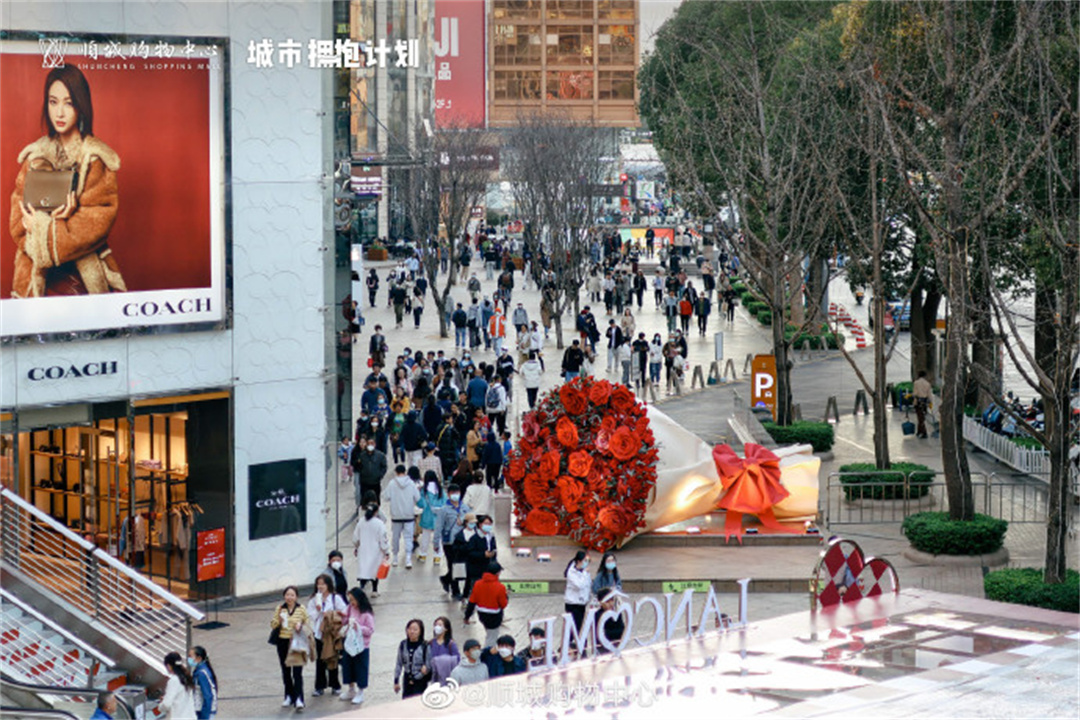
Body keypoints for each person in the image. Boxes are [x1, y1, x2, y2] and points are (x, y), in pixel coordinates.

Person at [11, 65, 126, 298]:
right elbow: (17, 222)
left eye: (68, 102)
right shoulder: (35, 156)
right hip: (35, 277)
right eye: (53, 102)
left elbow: (97, 225)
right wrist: (35, 224)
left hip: (81, 278)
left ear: (80, 106)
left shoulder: (94, 158)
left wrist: (46, 226)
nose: (59, 113)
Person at [306, 574, 347, 697]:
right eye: (319, 584)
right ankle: (319, 686)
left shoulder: (335, 598)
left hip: (332, 633)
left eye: (323, 584)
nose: (321, 586)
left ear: (328, 585)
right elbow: (310, 615)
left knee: (332, 658)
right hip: (319, 633)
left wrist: (330, 614)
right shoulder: (314, 599)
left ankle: (335, 685)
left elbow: (344, 611)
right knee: (320, 660)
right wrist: (319, 610)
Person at [269, 586, 309, 709]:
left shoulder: (301, 609)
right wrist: (279, 621)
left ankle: (299, 698)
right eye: (287, 595)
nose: (289, 597)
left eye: (292, 595)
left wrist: (300, 625)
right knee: (286, 671)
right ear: (284, 596)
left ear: (296, 597)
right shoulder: (280, 608)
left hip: (296, 642)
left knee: (297, 672)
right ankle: (288, 696)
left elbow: (307, 623)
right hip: (283, 642)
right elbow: (273, 624)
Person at [338, 587, 375, 705]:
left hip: (362, 646)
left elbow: (370, 630)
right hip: (349, 643)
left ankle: (360, 692)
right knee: (348, 666)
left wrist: (358, 627)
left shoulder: (367, 614)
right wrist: (343, 616)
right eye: (350, 600)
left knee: (361, 668)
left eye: (353, 600)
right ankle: (351, 689)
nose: (352, 602)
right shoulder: (350, 608)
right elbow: (345, 620)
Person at [434, 485, 470, 597]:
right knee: (452, 565)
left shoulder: (465, 508)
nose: (455, 495)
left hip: (463, 541)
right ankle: (455, 590)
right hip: (449, 542)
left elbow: (471, 522)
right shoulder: (444, 510)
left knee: (461, 565)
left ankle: (446, 579)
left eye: (457, 492)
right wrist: (436, 542)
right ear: (448, 494)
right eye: (453, 492)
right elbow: (439, 526)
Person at [382, 464, 421, 568]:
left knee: (395, 537)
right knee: (408, 537)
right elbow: (417, 497)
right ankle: (408, 558)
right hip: (409, 515)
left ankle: (395, 558)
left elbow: (385, 497)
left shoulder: (391, 484)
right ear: (405, 471)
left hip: (396, 515)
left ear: (396, 472)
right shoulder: (411, 484)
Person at [466, 561, 508, 646]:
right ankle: (487, 655)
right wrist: (506, 596)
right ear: (497, 573)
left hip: (482, 615)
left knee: (489, 634)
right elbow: (503, 604)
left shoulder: (478, 584)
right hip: (495, 616)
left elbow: (472, 601)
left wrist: (467, 616)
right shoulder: (500, 587)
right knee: (491, 638)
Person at [353, 501, 389, 596]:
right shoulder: (379, 523)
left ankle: (362, 587)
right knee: (374, 570)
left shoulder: (361, 522)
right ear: (376, 512)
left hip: (363, 549)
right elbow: (383, 538)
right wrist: (386, 550)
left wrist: (356, 547)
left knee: (363, 569)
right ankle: (374, 590)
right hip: (375, 551)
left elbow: (355, 537)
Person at [393, 619, 432, 699]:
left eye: (415, 629)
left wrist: (422, 673)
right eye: (410, 629)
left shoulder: (425, 646)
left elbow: (429, 664)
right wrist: (396, 681)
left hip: (420, 680)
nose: (412, 632)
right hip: (407, 679)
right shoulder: (403, 644)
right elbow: (399, 663)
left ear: (420, 631)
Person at [563, 551, 591, 649]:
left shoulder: (584, 572)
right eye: (585, 560)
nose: (586, 563)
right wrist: (584, 573)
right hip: (573, 604)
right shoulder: (572, 572)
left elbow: (587, 586)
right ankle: (577, 645)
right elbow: (579, 585)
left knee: (578, 627)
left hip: (581, 603)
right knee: (575, 627)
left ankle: (576, 645)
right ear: (578, 561)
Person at [350, 438, 387, 512]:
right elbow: (357, 466)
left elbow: (384, 466)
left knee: (376, 500)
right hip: (365, 483)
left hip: (375, 482)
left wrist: (380, 475)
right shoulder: (362, 455)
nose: (370, 445)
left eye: (372, 443)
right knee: (364, 500)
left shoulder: (380, 455)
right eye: (369, 444)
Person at [416, 472, 444, 563]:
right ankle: (437, 557)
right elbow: (445, 502)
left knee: (425, 537)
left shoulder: (424, 490)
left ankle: (423, 555)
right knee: (437, 538)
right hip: (439, 517)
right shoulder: (440, 489)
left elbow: (420, 503)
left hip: (427, 516)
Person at [160, 652, 197, 719]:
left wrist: (160, 706)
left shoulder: (174, 680)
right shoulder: (186, 677)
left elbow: (166, 704)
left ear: (169, 666)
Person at [428, 616, 460, 685]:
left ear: (446, 629)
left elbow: (457, 659)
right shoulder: (430, 643)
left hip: (447, 676)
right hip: (434, 676)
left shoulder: (451, 644)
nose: (437, 627)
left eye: (440, 625)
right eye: (435, 625)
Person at [188, 646, 218, 720]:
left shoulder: (202, 674)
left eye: (190, 656)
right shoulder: (199, 671)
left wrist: (204, 717)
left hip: (204, 712)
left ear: (199, 658)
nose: (189, 659)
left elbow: (208, 696)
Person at [596, 588, 627, 653]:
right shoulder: (598, 615)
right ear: (600, 602)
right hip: (603, 647)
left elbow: (622, 628)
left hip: (617, 644)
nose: (610, 604)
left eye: (612, 600)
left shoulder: (617, 613)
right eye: (607, 601)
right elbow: (599, 634)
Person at [913, 370, 933, 438]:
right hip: (924, 402)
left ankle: (923, 432)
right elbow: (929, 395)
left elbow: (915, 393)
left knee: (919, 417)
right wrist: (930, 402)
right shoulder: (927, 384)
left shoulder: (916, 383)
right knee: (922, 417)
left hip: (918, 402)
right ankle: (920, 431)